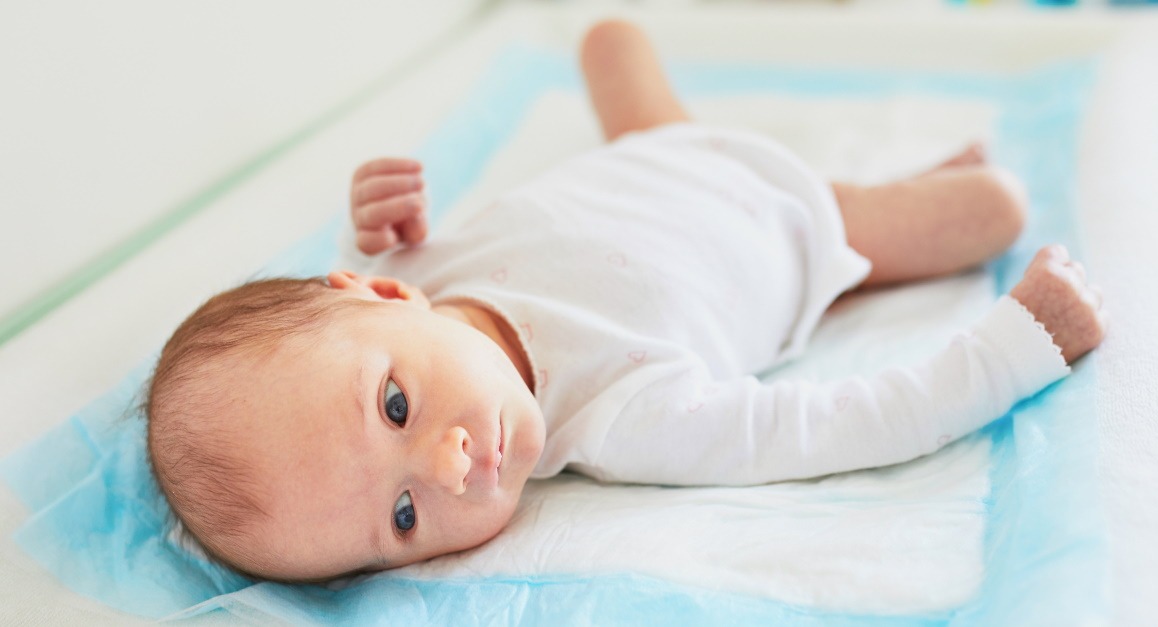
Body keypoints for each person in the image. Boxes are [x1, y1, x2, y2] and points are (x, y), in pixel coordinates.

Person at [145, 20, 1108, 583]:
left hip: (657, 151)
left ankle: (899, 180)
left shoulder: (425, 271)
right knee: (995, 208)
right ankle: (902, 214)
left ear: (385, 293)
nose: (452, 464)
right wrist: (1018, 343)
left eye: (395, 405)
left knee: (608, 37)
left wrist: (377, 212)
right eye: (403, 517)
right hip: (808, 223)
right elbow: (844, 422)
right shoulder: (629, 417)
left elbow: (358, 287)